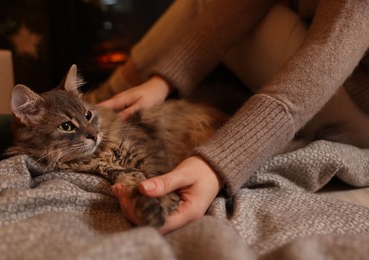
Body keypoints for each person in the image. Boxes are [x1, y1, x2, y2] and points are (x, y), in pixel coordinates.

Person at [93, 0, 369, 234]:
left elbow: (325, 54)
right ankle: (106, 98)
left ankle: (105, 95)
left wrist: (215, 164)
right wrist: (161, 82)